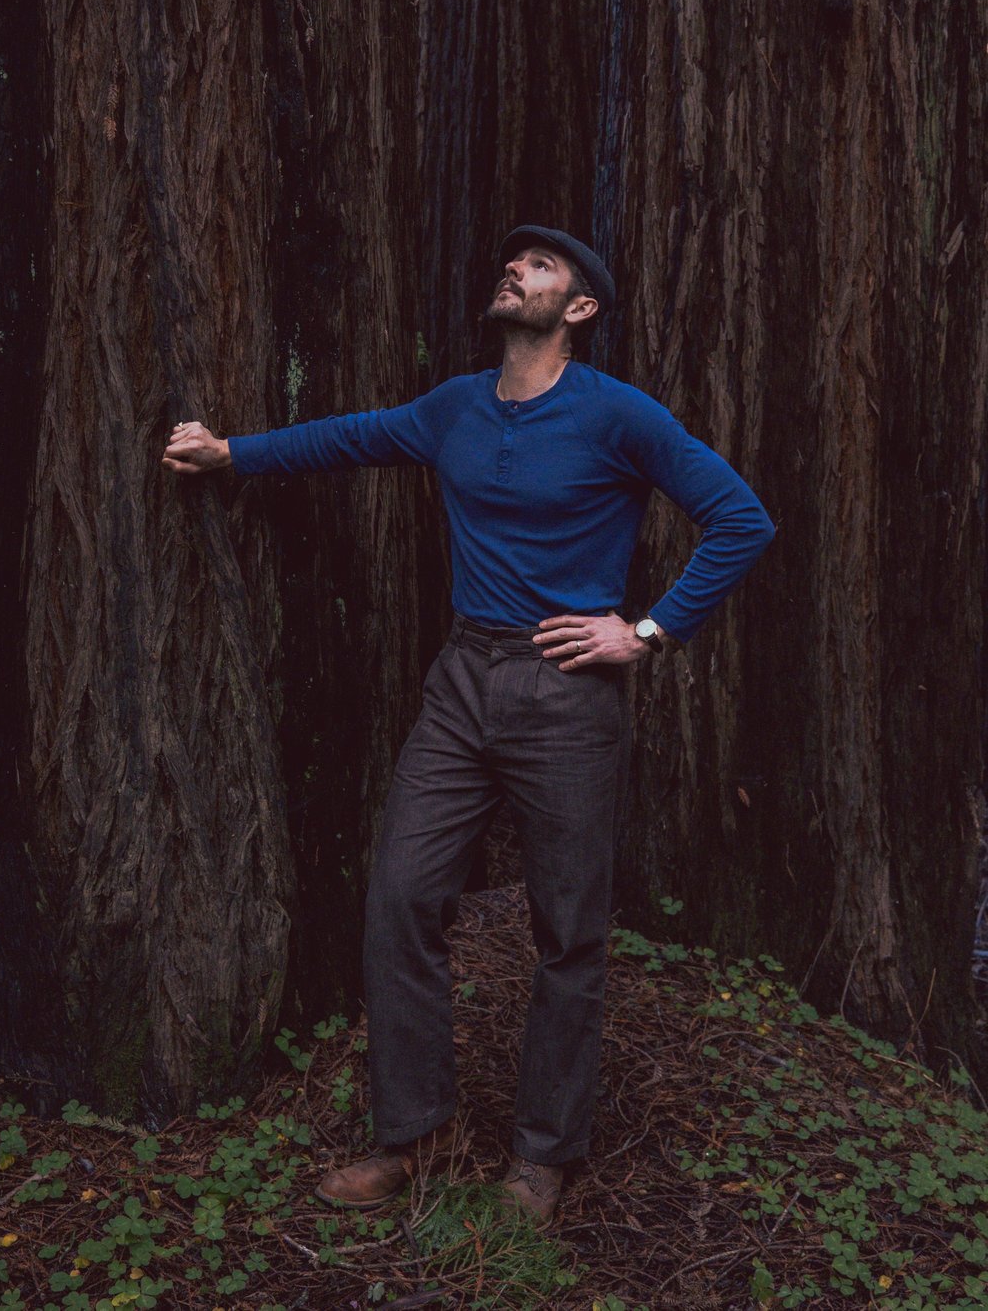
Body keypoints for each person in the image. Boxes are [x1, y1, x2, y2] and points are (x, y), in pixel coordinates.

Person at [162, 224, 776, 1227]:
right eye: (514, 259)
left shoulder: (617, 414)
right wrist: (230, 452)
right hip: (463, 679)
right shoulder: (454, 407)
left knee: (568, 932)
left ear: (577, 310)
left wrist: (648, 631)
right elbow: (348, 436)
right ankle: (417, 1135)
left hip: (568, 692)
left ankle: (542, 1158)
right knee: (402, 895)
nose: (515, 269)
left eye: (540, 267)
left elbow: (740, 517)